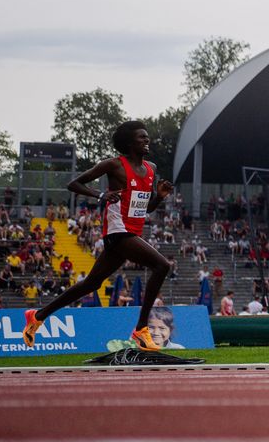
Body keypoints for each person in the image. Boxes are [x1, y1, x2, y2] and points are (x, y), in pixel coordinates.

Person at [23, 121, 178, 350]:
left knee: (91, 284)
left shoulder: (151, 168)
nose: (147, 140)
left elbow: (146, 209)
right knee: (162, 266)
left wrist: (160, 197)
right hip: (117, 231)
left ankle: (37, 316)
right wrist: (101, 194)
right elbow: (73, 184)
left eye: (147, 137)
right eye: (141, 137)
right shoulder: (113, 165)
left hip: (132, 231)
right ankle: (141, 329)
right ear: (128, 143)